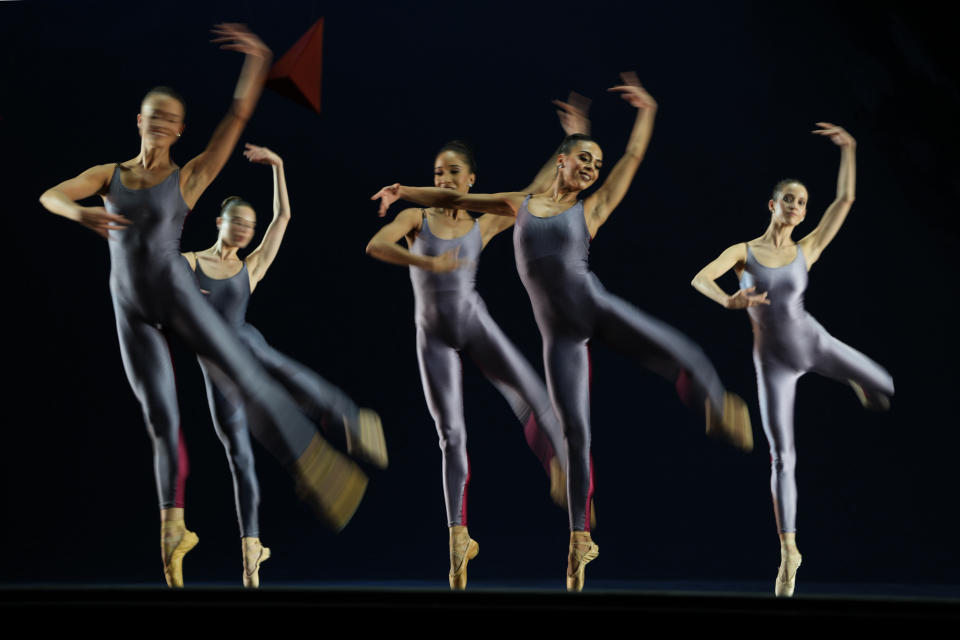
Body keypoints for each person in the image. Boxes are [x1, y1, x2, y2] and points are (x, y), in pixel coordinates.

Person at [372, 74, 752, 591]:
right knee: (576, 436)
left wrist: (648, 111)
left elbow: (632, 161)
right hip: (560, 340)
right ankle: (578, 544)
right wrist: (401, 191)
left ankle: (716, 405)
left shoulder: (588, 209)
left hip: (597, 309)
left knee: (679, 351)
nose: (594, 168)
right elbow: (453, 198)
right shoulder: (516, 205)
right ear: (562, 161)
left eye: (597, 163)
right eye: (585, 159)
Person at [39, 24, 369, 587]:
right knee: (160, 418)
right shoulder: (108, 176)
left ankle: (314, 460)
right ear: (139, 121)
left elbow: (236, 118)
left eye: (172, 119)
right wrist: (81, 213)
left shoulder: (187, 177)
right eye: (154, 115)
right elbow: (51, 194)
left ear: (179, 130)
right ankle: (174, 531)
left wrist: (259, 61)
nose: (162, 124)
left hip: (174, 293)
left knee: (242, 368)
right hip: (129, 307)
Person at [365, 95, 591, 589]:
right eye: (437, 173)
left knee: (533, 392)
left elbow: (535, 191)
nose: (443, 181)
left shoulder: (482, 221)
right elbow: (376, 245)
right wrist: (426, 262)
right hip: (432, 337)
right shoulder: (416, 221)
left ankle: (565, 484)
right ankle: (457, 540)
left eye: (452, 174)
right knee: (451, 436)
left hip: (472, 322)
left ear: (471, 182)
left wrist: (569, 140)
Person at [690, 123, 894, 597]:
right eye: (790, 200)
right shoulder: (744, 253)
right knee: (783, 456)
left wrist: (850, 149)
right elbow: (701, 277)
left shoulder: (808, 249)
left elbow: (844, 202)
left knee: (884, 386)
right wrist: (727, 301)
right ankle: (789, 551)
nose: (797, 208)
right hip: (774, 365)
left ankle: (854, 381)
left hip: (813, 343)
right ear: (773, 204)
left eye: (802, 202)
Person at [182, 143, 387, 587]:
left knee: (259, 351)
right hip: (217, 374)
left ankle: (347, 419)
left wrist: (278, 166)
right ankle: (251, 547)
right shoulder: (188, 264)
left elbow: (284, 220)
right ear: (220, 222)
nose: (244, 231)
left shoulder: (251, 268)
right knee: (240, 459)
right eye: (237, 222)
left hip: (248, 350)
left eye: (250, 226)